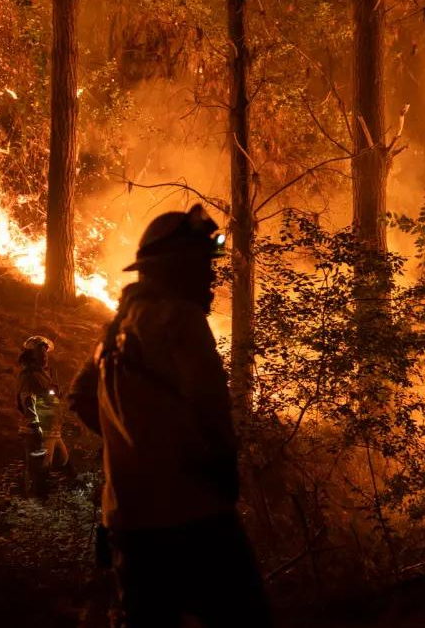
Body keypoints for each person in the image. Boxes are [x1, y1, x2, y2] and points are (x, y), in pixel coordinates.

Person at [68, 204, 270, 628]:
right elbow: (211, 413)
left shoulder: (115, 329)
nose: (210, 278)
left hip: (127, 523)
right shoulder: (180, 319)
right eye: (202, 266)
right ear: (176, 267)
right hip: (194, 517)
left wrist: (133, 450)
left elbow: (80, 397)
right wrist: (217, 474)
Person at [16, 335, 72, 496]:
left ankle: (61, 501)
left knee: (63, 465)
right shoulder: (28, 375)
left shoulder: (44, 374)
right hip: (38, 432)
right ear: (31, 355)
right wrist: (36, 428)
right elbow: (27, 401)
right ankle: (34, 506)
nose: (45, 355)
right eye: (40, 352)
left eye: (45, 352)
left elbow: (50, 398)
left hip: (52, 430)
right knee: (39, 475)